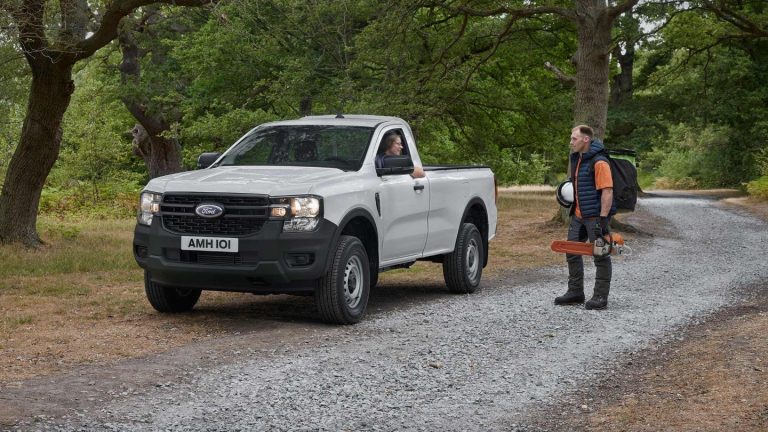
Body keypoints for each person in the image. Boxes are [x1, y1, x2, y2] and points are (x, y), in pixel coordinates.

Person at [555, 125, 616, 310]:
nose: (571, 142)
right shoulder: (578, 159)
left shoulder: (599, 162)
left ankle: (600, 297)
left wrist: (603, 220)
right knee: (571, 251)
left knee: (601, 255)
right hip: (579, 215)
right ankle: (575, 292)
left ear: (586, 140)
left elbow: (607, 191)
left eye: (574, 139)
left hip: (596, 217)